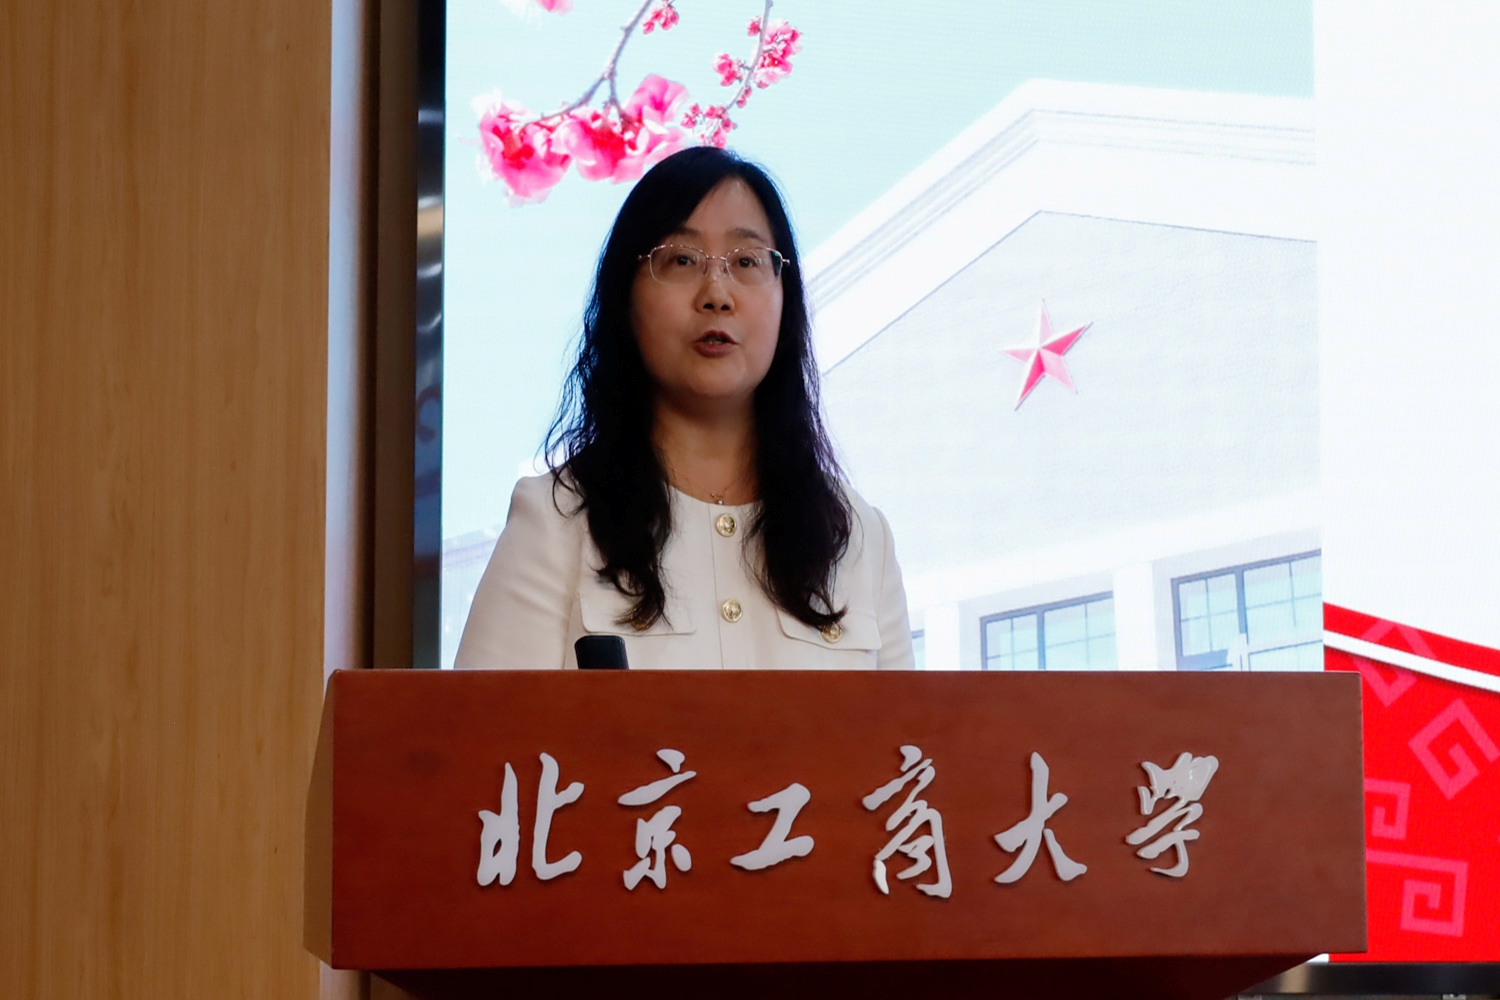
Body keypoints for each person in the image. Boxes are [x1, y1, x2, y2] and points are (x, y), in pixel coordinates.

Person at [455, 146, 914, 670]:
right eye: (681, 260)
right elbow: (483, 724)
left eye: (746, 261)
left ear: (786, 300)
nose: (717, 294)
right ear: (625, 299)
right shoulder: (556, 521)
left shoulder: (860, 538)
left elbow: (904, 727)